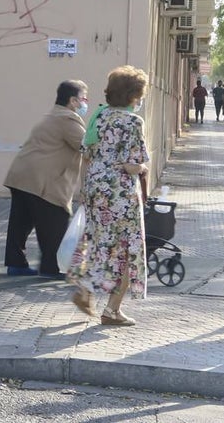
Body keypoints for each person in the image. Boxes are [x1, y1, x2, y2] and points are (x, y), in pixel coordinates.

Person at [67, 65, 149, 327]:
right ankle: (112, 310)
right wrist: (142, 168)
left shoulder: (99, 116)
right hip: (120, 194)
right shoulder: (133, 122)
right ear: (134, 95)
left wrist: (84, 189)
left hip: (95, 189)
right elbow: (133, 165)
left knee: (98, 242)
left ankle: (85, 291)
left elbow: (86, 154)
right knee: (127, 249)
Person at [2, 80, 88, 279]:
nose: (85, 103)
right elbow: (87, 146)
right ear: (73, 101)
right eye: (84, 99)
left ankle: (16, 264)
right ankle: (51, 268)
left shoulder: (51, 115)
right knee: (56, 221)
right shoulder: (67, 120)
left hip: (21, 175)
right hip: (43, 181)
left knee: (21, 222)